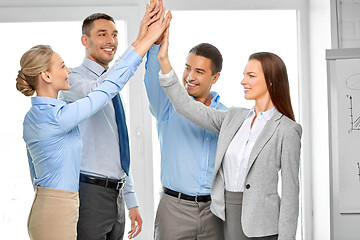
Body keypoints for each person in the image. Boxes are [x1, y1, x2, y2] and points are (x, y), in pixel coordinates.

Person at [17, 7, 171, 240]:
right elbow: (100, 92)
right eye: (102, 34)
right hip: (81, 196)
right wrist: (144, 40)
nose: (66, 70)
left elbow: (116, 146)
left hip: (103, 196)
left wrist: (129, 198)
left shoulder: (43, 115)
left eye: (115, 34)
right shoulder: (70, 95)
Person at [156, 26, 302, 240]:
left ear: (270, 81)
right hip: (226, 219)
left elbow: (290, 195)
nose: (243, 81)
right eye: (244, 75)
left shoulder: (287, 130)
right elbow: (186, 107)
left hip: (263, 226)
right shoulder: (233, 117)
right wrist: (164, 61)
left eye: (250, 76)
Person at [145, 27, 226, 240]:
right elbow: (154, 78)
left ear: (215, 77)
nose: (189, 77)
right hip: (174, 210)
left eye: (199, 72)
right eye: (187, 68)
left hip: (214, 211)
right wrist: (156, 45)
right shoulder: (167, 105)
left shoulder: (225, 116)